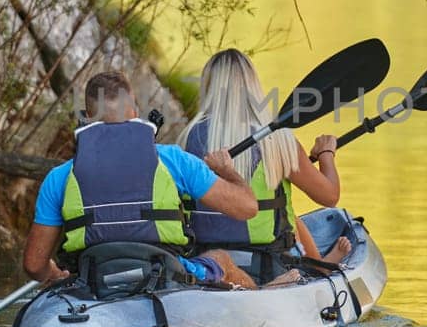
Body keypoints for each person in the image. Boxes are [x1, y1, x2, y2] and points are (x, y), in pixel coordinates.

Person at [21, 71, 262, 290]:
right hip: (164, 276)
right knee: (221, 259)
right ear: (135, 112)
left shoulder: (59, 177)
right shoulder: (174, 161)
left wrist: (54, 273)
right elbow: (247, 208)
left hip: (92, 278)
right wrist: (227, 171)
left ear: (86, 118)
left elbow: (33, 265)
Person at [180, 48, 350, 268]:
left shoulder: (187, 137)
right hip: (269, 260)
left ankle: (318, 264)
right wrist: (326, 154)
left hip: (204, 256)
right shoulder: (277, 140)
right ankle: (319, 267)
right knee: (284, 210)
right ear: (252, 87)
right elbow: (329, 196)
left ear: (208, 88)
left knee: (286, 211)